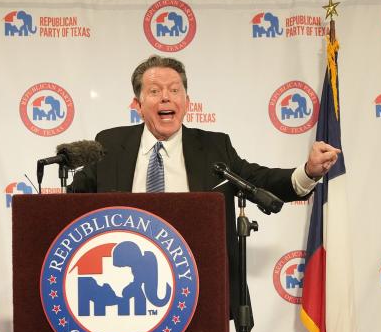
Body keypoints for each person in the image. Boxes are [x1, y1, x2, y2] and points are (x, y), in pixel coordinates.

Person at [68, 54, 339, 318]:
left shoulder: (213, 147)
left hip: (199, 285)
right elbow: (73, 203)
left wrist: (308, 172)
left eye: (175, 90)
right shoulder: (111, 144)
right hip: (127, 291)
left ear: (186, 102)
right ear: (137, 104)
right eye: (154, 91)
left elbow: (259, 180)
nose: (166, 97)